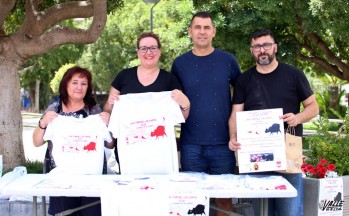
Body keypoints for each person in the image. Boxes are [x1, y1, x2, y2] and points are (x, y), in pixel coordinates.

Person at [229, 29, 319, 216]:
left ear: (275, 47)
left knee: (291, 212)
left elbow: (313, 107)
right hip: (255, 156)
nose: (262, 50)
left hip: (288, 153)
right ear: (251, 50)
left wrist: (298, 118)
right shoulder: (244, 80)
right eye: (257, 46)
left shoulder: (294, 75)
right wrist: (233, 137)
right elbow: (236, 114)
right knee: (262, 212)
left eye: (266, 45)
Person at [171, 12, 241, 215]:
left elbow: (242, 96)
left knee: (224, 203)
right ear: (190, 31)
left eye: (207, 27)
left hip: (223, 144)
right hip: (190, 144)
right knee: (193, 202)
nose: (202, 31)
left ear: (214, 32)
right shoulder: (179, 64)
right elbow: (171, 101)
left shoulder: (228, 61)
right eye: (198, 27)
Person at [33, 66, 114, 216]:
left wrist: (109, 125)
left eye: (84, 84)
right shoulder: (54, 110)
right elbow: (37, 142)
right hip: (61, 180)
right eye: (75, 82)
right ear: (66, 84)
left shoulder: (95, 112)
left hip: (92, 179)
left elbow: (110, 144)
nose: (79, 87)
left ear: (88, 88)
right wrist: (43, 123)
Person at [103, 32, 190, 170]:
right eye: (143, 48)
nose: (148, 52)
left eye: (153, 48)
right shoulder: (124, 76)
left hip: (160, 156)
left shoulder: (169, 80)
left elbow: (181, 117)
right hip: (129, 153)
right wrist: (111, 103)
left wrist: (185, 104)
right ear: (137, 51)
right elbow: (108, 110)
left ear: (159, 51)